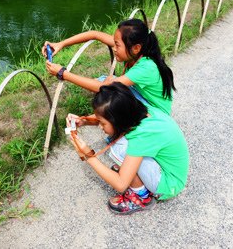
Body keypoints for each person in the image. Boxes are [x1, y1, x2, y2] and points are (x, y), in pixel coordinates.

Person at [67, 82, 189, 215]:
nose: (100, 127)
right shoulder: (140, 111)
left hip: (168, 185)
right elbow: (111, 117)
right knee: (123, 144)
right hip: (170, 171)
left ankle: (141, 197)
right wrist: (84, 121)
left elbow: (121, 184)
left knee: (119, 148)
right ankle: (134, 176)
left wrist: (88, 155)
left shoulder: (141, 137)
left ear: (118, 120)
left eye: (102, 123)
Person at [43, 18, 176, 115]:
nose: (114, 48)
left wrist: (63, 73)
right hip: (142, 97)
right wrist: (61, 44)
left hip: (157, 114)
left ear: (136, 48)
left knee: (109, 91)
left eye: (117, 45)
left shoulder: (146, 67)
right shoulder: (133, 51)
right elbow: (95, 35)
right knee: (104, 81)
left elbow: (105, 88)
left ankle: (131, 130)